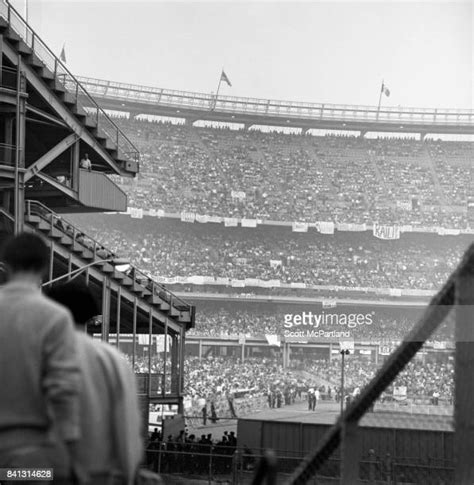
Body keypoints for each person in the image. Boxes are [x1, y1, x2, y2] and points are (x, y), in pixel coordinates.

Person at [0, 233, 82, 484]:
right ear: (44, 267)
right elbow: (63, 390)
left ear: (6, 264)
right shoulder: (55, 317)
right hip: (28, 455)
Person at [47, 281, 144, 485]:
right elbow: (127, 429)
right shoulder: (113, 359)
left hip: (43, 474)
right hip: (99, 475)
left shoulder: (36, 355)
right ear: (91, 314)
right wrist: (128, 475)